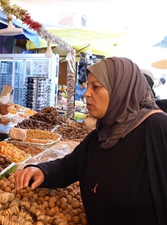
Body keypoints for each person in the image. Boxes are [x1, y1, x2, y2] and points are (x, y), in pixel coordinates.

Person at [15, 57, 167, 225]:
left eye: (96, 87)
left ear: (120, 89)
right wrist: (42, 171)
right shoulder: (100, 135)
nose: (87, 93)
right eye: (87, 86)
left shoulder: (156, 127)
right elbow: (68, 167)